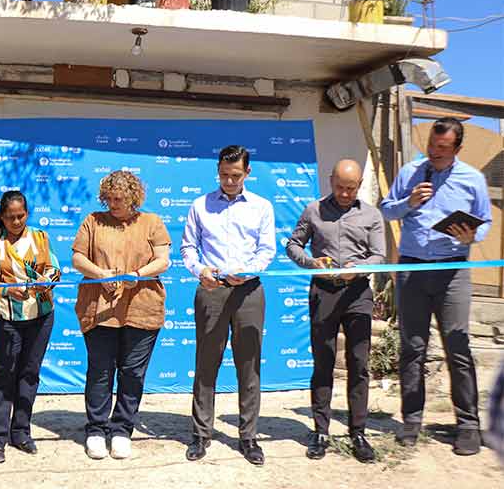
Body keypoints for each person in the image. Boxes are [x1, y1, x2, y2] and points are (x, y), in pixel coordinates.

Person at [380, 117, 492, 456]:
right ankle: (411, 421)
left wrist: (474, 235)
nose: (435, 153)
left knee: (457, 345)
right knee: (412, 346)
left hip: (453, 269)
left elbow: (484, 221)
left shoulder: (472, 179)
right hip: (413, 267)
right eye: (432, 146)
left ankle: (468, 425)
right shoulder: (410, 172)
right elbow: (386, 210)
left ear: (457, 149)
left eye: (443, 149)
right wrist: (408, 202)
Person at [180, 145, 275, 466]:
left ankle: (248, 437)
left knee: (249, 366)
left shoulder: (262, 207)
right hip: (212, 290)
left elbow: (267, 250)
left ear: (248, 173)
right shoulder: (200, 205)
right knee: (207, 364)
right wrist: (200, 270)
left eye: (235, 175)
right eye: (224, 175)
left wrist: (249, 272)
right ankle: (200, 434)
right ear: (217, 171)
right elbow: (188, 248)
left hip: (249, 292)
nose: (229, 181)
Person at [286, 159, 386, 462]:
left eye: (351, 188)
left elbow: (380, 255)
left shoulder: (371, 214)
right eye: (340, 187)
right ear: (331, 181)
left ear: (358, 185)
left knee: (359, 362)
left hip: (357, 293)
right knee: (323, 361)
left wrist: (360, 268)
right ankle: (320, 431)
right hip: (323, 292)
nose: (345, 194)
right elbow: (293, 245)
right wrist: (311, 263)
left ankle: (358, 432)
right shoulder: (313, 210)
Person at [71, 170, 171, 460]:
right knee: (100, 371)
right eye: (110, 198)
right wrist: (100, 274)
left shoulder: (151, 222)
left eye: (120, 199)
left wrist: (137, 275)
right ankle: (96, 429)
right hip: (100, 308)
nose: (113, 204)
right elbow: (77, 257)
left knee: (132, 373)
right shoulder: (93, 221)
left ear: (133, 197)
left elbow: (163, 260)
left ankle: (122, 429)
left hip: (142, 307)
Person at [0, 191, 61, 463]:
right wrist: (4, 290)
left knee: (29, 373)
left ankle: (21, 432)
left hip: (40, 316)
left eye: (21, 216)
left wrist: (44, 283)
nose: (16, 221)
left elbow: (55, 270)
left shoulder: (40, 237)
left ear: (27, 213)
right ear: (2, 216)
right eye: (11, 216)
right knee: (4, 373)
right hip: (5, 318)